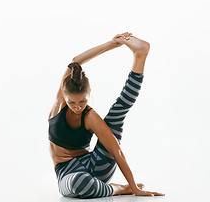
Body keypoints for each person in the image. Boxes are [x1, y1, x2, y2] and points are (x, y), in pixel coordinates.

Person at [48, 32, 165, 198]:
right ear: (64, 96)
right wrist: (112, 44)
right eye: (72, 103)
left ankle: (140, 55)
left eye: (82, 101)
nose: (78, 107)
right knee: (80, 182)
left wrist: (135, 187)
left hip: (96, 166)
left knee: (117, 114)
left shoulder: (89, 116)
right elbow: (75, 61)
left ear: (88, 94)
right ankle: (118, 189)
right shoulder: (58, 107)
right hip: (68, 175)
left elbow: (116, 151)